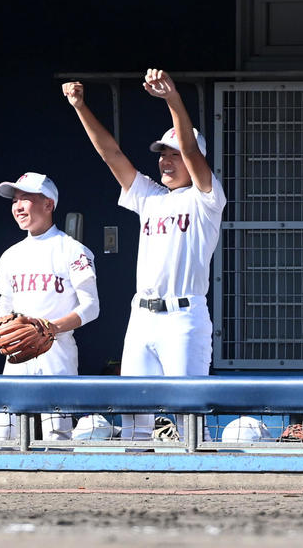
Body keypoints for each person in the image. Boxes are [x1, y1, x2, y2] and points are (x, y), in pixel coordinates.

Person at [62, 68, 225, 442]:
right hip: (143, 316)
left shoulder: (206, 198)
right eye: (162, 155)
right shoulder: (151, 197)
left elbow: (190, 149)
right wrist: (80, 107)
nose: (166, 161)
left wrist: (172, 99)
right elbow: (112, 155)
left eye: (174, 155)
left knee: (188, 418)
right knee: (133, 415)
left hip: (183, 318)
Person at [0, 172, 99, 443]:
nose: (18, 206)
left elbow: (92, 307)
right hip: (17, 351)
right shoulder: (11, 254)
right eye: (15, 200)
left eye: (26, 198)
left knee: (57, 435)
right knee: (4, 433)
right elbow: (3, 311)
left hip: (56, 350)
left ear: (49, 204)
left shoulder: (73, 250)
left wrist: (51, 327)